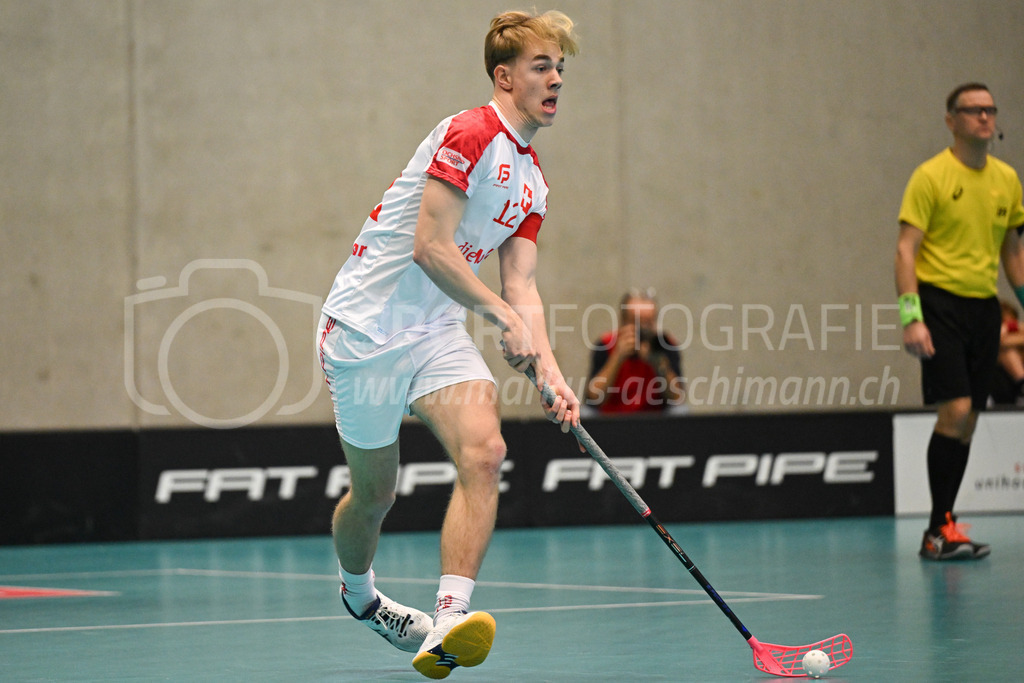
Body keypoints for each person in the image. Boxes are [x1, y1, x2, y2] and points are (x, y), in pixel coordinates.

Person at [315, 10, 580, 679]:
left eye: (560, 69)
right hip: (364, 329)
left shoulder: (534, 181)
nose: (555, 80)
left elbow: (522, 285)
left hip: (434, 331)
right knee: (374, 495)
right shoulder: (469, 133)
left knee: (486, 451)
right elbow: (429, 247)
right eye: (542, 67)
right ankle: (360, 594)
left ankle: (452, 618)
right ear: (504, 75)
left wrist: (550, 370)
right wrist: (496, 314)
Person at [894, 82, 1024, 561]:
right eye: (972, 111)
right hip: (939, 303)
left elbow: (1013, 253)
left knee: (969, 420)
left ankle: (944, 525)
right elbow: (906, 249)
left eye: (989, 109)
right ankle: (935, 531)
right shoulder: (930, 177)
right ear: (951, 120)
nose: (984, 118)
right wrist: (912, 316)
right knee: (955, 409)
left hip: (984, 307)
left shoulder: (1007, 180)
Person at [584, 288, 686, 414]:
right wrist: (617, 356)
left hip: (656, 421)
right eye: (636, 321)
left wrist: (659, 365)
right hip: (611, 419)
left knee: (681, 411)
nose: (643, 329)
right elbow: (594, 398)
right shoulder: (606, 344)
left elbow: (677, 398)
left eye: (648, 322)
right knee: (584, 412)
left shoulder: (665, 344)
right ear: (623, 321)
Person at [990, 299, 1024, 405]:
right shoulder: (990, 339)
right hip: (1000, 384)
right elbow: (998, 340)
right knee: (1008, 352)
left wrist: (1013, 328)